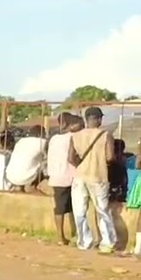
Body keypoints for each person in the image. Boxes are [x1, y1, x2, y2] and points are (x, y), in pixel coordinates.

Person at [68, 106, 116, 254]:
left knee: (79, 211)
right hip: (98, 176)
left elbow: (70, 158)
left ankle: (84, 242)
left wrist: (82, 167)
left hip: (79, 177)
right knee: (102, 210)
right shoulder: (105, 135)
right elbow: (109, 157)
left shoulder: (75, 136)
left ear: (86, 119)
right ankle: (107, 243)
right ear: (98, 119)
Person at [46, 113, 79, 245]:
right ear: (71, 125)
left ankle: (63, 235)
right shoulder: (74, 137)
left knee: (62, 207)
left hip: (56, 176)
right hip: (69, 176)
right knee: (70, 207)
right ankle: (65, 236)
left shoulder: (54, 138)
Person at [4, 126, 46, 192]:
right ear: (40, 134)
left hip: (9, 176)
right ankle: (34, 187)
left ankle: (20, 188)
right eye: (44, 133)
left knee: (27, 162)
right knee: (46, 165)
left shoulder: (21, 141)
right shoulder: (43, 142)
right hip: (25, 178)